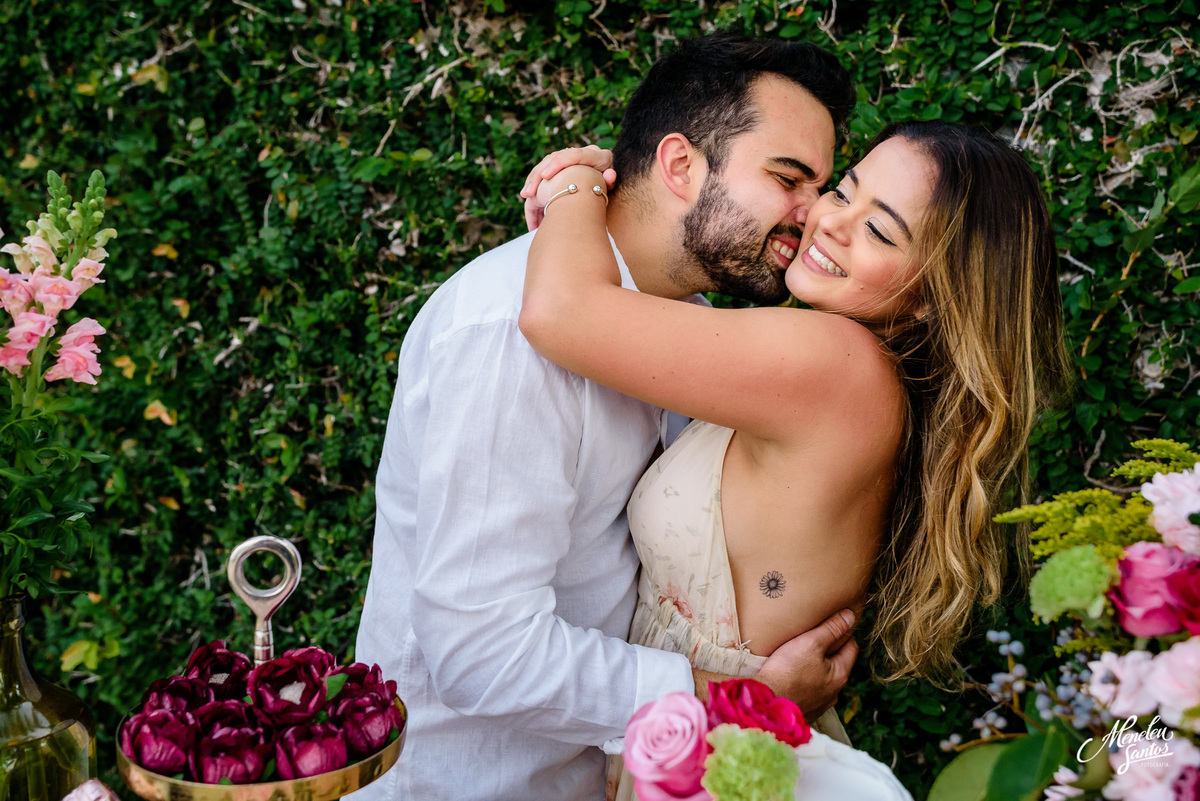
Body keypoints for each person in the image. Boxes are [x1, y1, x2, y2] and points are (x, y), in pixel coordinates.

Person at [352, 32, 861, 801]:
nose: (812, 216)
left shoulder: (681, 330)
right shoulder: (507, 330)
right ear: (681, 164)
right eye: (789, 178)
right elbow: (480, 647)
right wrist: (733, 695)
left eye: (821, 188)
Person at [519, 120, 1071, 797]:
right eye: (845, 192)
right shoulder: (855, 369)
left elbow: (558, 312)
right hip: (706, 732)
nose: (833, 223)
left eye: (881, 231)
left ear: (932, 299)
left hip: (724, 753)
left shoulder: (831, 363)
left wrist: (574, 179)